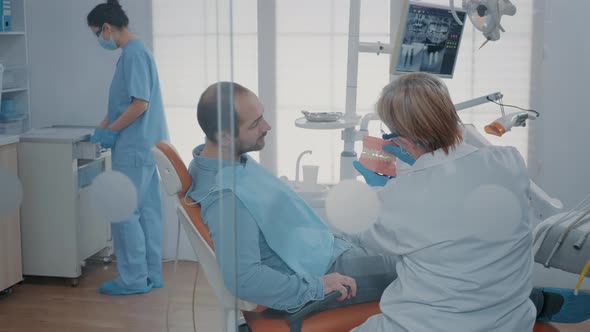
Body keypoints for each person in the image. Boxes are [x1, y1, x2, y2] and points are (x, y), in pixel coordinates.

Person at [188, 81, 590, 324]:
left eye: (263, 115)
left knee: (443, 254)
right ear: (223, 136)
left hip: (332, 250)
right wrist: (315, 285)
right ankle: (536, 301)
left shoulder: (227, 160)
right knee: (432, 262)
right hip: (327, 273)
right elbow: (243, 279)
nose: (268, 126)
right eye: (255, 123)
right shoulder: (227, 196)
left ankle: (529, 300)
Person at [350, 72, 590, 330]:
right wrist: (423, 164)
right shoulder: (509, 161)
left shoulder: (400, 195)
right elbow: (457, 190)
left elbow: (364, 234)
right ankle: (537, 301)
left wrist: (376, 192)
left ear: (403, 140)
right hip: (508, 322)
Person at [87, 0, 169, 295]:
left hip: (134, 147)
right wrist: (103, 126)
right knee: (147, 211)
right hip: (145, 145)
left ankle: (133, 279)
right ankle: (151, 274)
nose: (99, 39)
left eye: (97, 33)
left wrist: (111, 131)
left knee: (125, 211)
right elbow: (122, 102)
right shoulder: (136, 52)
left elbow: (139, 104)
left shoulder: (133, 55)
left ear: (107, 28)